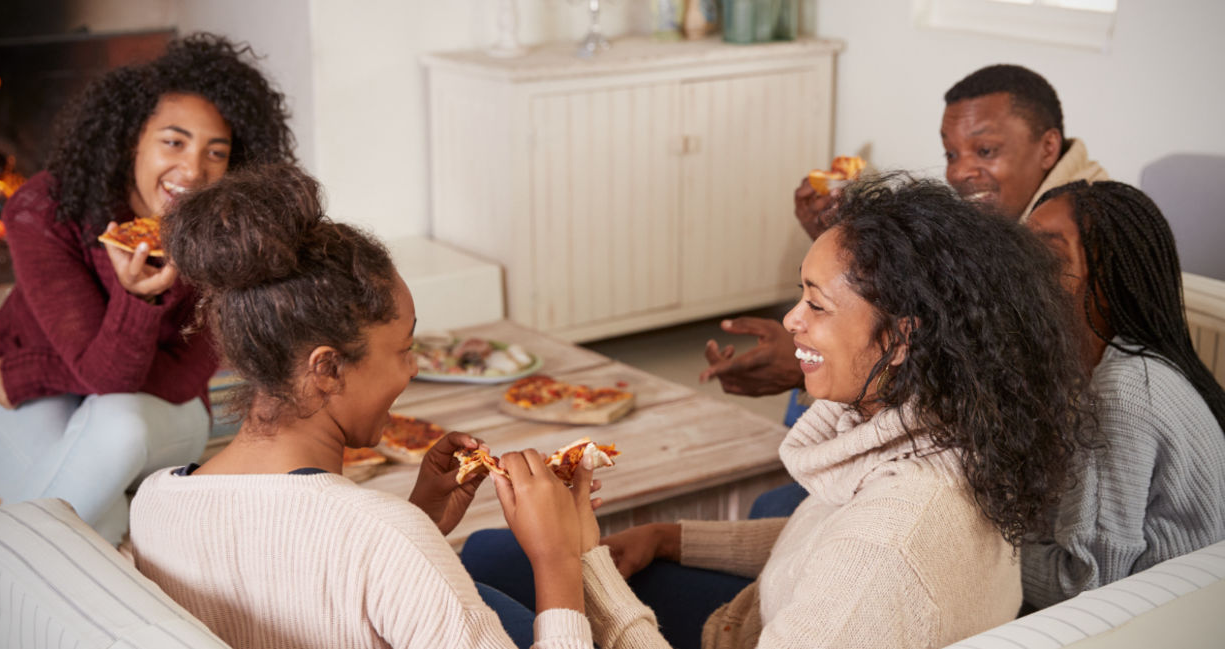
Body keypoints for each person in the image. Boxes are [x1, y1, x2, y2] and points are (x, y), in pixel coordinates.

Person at [466, 175, 1093, 649]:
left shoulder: (886, 550)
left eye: (816, 304)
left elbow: (858, 559)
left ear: (902, 337)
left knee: (483, 596)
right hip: (754, 617)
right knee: (493, 552)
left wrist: (577, 563)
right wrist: (668, 537)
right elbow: (823, 545)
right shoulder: (942, 424)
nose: (792, 320)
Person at [128, 163, 597, 649]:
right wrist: (558, 557)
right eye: (404, 348)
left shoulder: (154, 502)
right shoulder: (384, 539)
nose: (412, 368)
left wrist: (420, 523)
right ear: (328, 369)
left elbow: (298, 579)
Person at [0, 34, 296, 544]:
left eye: (216, 152)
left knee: (118, 422)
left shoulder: (234, 234)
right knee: (99, 523)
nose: (193, 171)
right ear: (132, 138)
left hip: (137, 404)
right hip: (15, 383)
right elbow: (101, 370)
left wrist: (28, 372)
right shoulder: (45, 207)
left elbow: (179, 375)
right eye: (174, 142)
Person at [703, 64, 1109, 431]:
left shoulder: (1069, 233)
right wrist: (833, 247)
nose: (959, 172)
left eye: (985, 151)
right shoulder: (1006, 221)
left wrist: (813, 365)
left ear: (1048, 147)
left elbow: (1006, 377)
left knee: (812, 411)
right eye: (951, 153)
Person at [1021, 180, 1225, 608]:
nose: (1020, 272)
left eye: (1045, 256)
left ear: (1107, 278)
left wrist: (987, 554)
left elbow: (1083, 585)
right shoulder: (1115, 370)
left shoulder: (1123, 393)